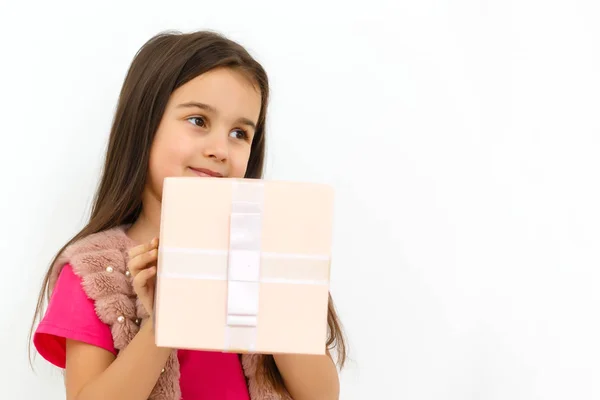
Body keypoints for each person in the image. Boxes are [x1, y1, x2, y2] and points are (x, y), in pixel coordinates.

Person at [28, 30, 346, 400]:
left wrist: (272, 285)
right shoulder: (94, 271)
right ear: (144, 125)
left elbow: (321, 395)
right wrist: (163, 322)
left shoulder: (265, 254)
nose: (220, 149)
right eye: (198, 120)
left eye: (240, 132)